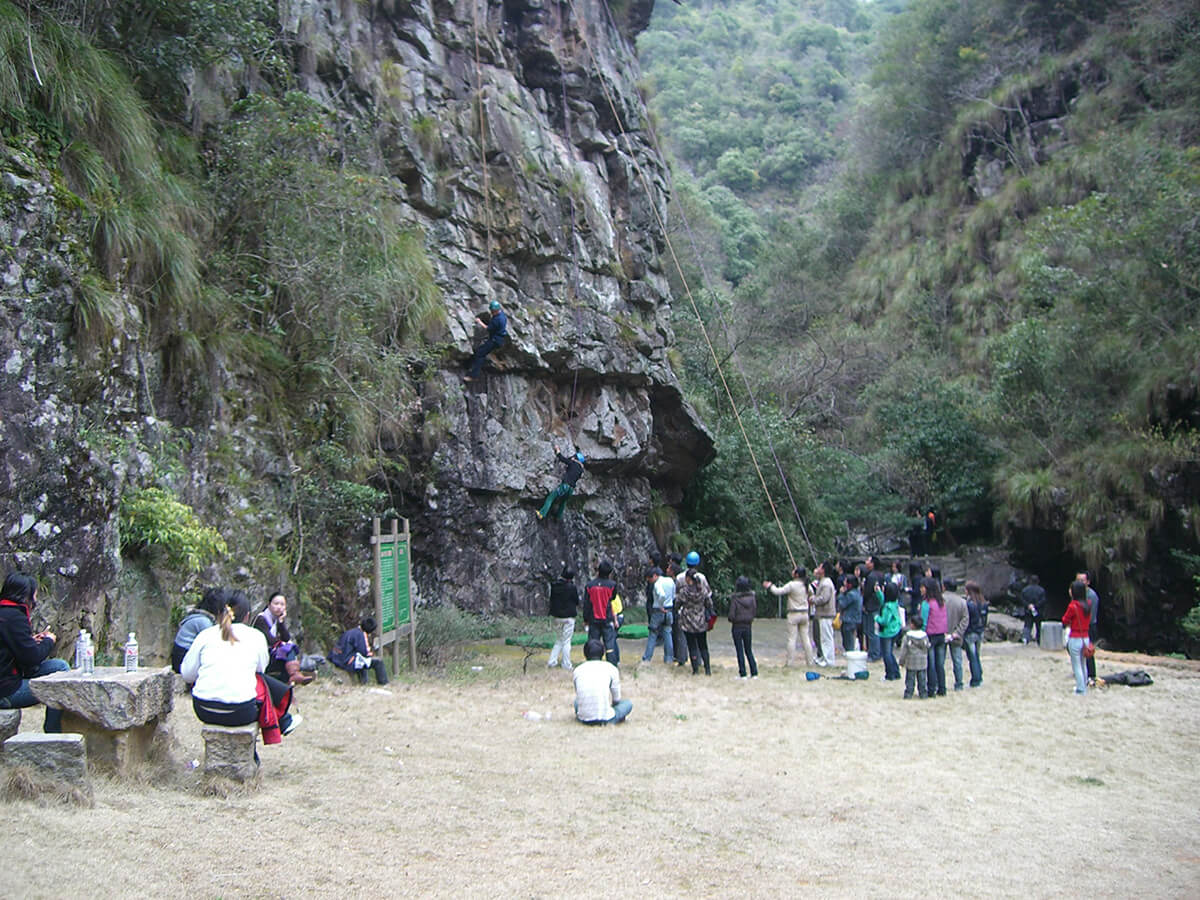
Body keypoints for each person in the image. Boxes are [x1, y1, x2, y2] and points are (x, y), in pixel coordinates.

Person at [180, 589, 300, 743]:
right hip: (241, 711)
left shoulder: (205, 635)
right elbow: (261, 670)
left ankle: (284, 721)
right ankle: (282, 721)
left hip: (204, 709)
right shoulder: (255, 636)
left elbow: (187, 674)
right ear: (248, 616)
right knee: (259, 681)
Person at [0, 572, 67, 732]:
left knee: (59, 667)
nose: (36, 599)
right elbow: (32, 659)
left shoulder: (5, 613)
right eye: (35, 594)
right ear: (26, 596)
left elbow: (10, 647)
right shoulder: (14, 618)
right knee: (60, 684)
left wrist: (30, 641)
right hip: (6, 691)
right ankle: (53, 734)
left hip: (6, 679)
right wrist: (48, 641)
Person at [253, 592, 312, 685]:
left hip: (271, 654)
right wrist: (281, 642)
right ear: (269, 605)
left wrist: (281, 622)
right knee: (288, 650)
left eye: (282, 604)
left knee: (288, 652)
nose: (279, 607)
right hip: (261, 656)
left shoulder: (276, 619)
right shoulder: (261, 619)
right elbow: (270, 641)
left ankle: (291, 684)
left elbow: (286, 638)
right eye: (276, 604)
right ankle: (294, 676)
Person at [764, 567, 814, 667]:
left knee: (792, 639)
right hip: (804, 613)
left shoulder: (792, 585)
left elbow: (779, 591)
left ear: (796, 575)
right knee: (806, 639)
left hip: (794, 614)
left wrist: (770, 586)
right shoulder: (807, 585)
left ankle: (790, 663)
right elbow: (811, 594)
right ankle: (810, 662)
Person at [573, 639, 631, 725]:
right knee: (628, 704)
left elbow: (578, 694)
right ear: (603, 653)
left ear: (585, 654)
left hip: (584, 718)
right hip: (606, 717)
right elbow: (616, 699)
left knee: (576, 702)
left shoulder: (577, 670)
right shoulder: (611, 668)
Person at [171, 588, 228, 673]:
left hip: (181, 655)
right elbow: (213, 645)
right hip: (182, 658)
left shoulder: (200, 616)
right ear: (219, 609)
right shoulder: (204, 622)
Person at [330, 616, 389, 685]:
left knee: (361, 661)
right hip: (347, 662)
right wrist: (371, 654)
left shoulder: (350, 632)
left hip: (337, 658)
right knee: (378, 662)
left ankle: (363, 682)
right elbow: (364, 652)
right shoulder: (360, 635)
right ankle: (384, 683)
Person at [583, 561, 621, 665]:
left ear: (598, 571)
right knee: (609, 645)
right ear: (609, 573)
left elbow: (586, 604)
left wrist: (585, 619)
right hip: (607, 619)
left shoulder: (589, 586)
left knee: (593, 644)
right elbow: (613, 597)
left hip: (593, 619)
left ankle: (592, 664)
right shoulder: (612, 585)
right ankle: (612, 665)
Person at [676, 568, 712, 675]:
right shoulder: (703, 590)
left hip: (688, 622)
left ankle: (695, 670)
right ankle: (707, 669)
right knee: (703, 645)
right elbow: (709, 604)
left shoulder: (684, 592)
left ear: (687, 578)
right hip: (701, 621)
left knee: (692, 646)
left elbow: (677, 604)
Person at [464, 298, 508, 381]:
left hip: (495, 340)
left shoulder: (497, 320)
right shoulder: (502, 315)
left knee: (480, 354)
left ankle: (473, 375)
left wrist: (479, 322)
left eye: (492, 311)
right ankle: (472, 368)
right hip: (498, 338)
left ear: (495, 311)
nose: (491, 312)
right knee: (481, 351)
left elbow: (488, 328)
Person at [536, 448, 585, 521]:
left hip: (565, 486)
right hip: (571, 490)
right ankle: (558, 518)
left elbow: (562, 458)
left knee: (551, 497)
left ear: (575, 458)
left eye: (573, 456)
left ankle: (541, 514)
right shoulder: (581, 470)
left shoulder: (573, 463)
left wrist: (558, 450)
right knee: (563, 502)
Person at [1062, 580, 1093, 694]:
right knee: (1083, 663)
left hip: (1075, 637)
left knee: (1076, 665)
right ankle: (1084, 685)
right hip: (1085, 637)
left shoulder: (1073, 606)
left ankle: (1080, 689)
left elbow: (1065, 620)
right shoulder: (1088, 604)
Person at [547, 566, 579, 670]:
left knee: (559, 639)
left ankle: (552, 661)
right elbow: (576, 601)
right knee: (566, 641)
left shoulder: (554, 585)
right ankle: (566, 664)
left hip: (557, 616)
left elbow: (552, 600)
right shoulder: (571, 587)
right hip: (569, 616)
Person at [641, 567, 674, 665]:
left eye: (650, 579)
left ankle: (647, 658)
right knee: (667, 632)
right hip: (669, 609)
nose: (650, 582)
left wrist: (661, 605)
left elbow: (662, 595)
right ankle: (669, 658)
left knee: (652, 634)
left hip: (658, 611)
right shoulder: (670, 580)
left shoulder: (657, 584)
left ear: (655, 576)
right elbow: (673, 594)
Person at [922, 577, 949, 697]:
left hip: (930, 635)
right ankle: (942, 688)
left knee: (931, 664)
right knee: (940, 664)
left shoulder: (926, 604)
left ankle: (931, 688)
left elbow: (923, 622)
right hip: (941, 635)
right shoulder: (941, 602)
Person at [728, 576, 758, 679]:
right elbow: (754, 611)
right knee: (748, 649)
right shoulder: (752, 597)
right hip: (748, 626)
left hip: (737, 626)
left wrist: (733, 619)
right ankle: (754, 672)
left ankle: (743, 673)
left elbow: (731, 615)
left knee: (739, 650)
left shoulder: (735, 599)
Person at [943, 578, 969, 691]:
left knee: (940, 661)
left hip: (941, 634)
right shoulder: (962, 602)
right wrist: (957, 633)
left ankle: (941, 683)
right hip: (956, 635)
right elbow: (965, 619)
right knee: (957, 661)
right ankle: (959, 683)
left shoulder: (940, 600)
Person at [897, 613, 931, 699]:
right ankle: (923, 694)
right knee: (922, 679)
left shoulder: (908, 636)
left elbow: (903, 650)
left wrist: (901, 661)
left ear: (912, 625)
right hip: (922, 662)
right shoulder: (925, 636)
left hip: (911, 662)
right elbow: (927, 647)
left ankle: (909, 693)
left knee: (910, 679)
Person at [875, 581, 903, 681]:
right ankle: (896, 672)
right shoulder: (894, 602)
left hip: (887, 632)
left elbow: (884, 621)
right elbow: (883, 600)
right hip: (895, 630)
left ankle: (889, 674)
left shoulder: (887, 607)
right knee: (890, 653)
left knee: (886, 654)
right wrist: (878, 593)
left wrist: (877, 618)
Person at [1078, 571, 1101, 686]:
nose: (1080, 583)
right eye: (1078, 580)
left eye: (1082, 580)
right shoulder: (1078, 594)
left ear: (1088, 582)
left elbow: (1090, 616)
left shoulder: (1091, 596)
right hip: (1080, 625)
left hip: (1088, 626)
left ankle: (1091, 675)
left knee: (1088, 651)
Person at [964, 580, 988, 688]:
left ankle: (976, 679)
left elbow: (967, 619)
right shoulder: (983, 603)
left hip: (971, 632)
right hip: (980, 631)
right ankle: (979, 675)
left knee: (972, 657)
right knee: (976, 655)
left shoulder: (969, 604)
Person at [812, 561, 837, 666]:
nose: (818, 568)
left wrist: (814, 599)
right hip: (822, 614)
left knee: (827, 638)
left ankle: (829, 660)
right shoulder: (822, 581)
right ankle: (823, 658)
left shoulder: (826, 583)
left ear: (823, 570)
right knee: (823, 638)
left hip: (826, 614)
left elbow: (824, 598)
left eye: (820, 567)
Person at [862, 556, 887, 662]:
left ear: (872, 564)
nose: (866, 562)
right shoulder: (881, 575)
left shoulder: (871, 576)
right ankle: (875, 652)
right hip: (878, 604)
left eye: (868, 561)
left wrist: (864, 603)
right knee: (874, 631)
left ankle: (874, 654)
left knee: (872, 631)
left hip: (871, 606)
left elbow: (867, 592)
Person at [836, 574, 863, 655]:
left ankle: (850, 653)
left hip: (849, 619)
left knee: (848, 640)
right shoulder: (858, 592)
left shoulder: (851, 595)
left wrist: (841, 594)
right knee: (850, 638)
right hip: (855, 619)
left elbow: (842, 604)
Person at [1020, 575, 1045, 645]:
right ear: (1038, 581)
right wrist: (1035, 605)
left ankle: (1025, 639)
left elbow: (1022, 599)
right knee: (1038, 626)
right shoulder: (1041, 590)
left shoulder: (1025, 590)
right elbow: (1043, 600)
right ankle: (1039, 640)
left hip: (1028, 610)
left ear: (1030, 581)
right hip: (1038, 611)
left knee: (1027, 625)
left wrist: (1028, 605)